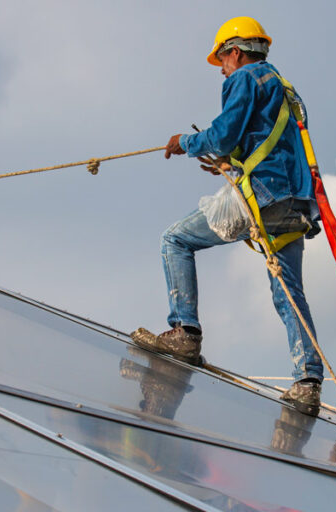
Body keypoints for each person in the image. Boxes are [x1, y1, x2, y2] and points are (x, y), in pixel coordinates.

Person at [131, 16, 324, 416]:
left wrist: (185, 142)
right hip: (296, 203)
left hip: (261, 194)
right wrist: (232, 160)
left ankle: (185, 333)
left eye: (222, 59)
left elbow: (222, 133)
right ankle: (308, 383)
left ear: (234, 51)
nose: (221, 68)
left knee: (175, 240)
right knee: (288, 292)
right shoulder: (285, 87)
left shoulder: (244, 78)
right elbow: (270, 142)